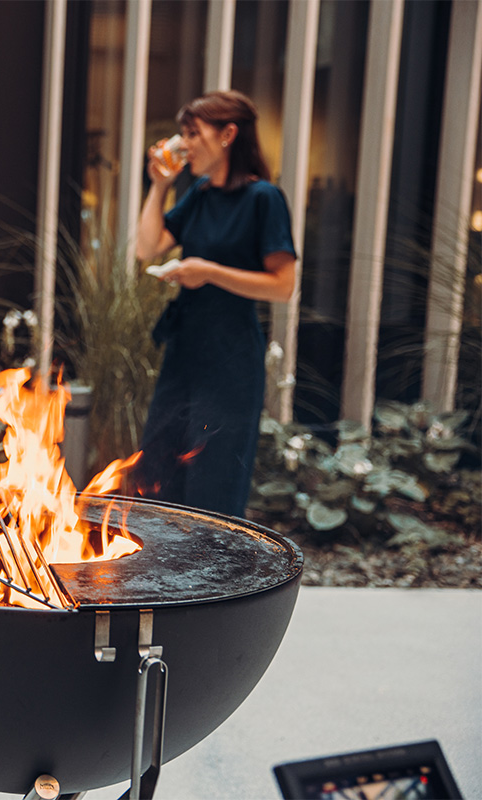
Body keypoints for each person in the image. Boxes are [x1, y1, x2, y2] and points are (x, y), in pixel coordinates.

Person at [131, 90, 297, 517]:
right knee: (157, 473)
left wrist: (209, 272)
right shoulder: (201, 193)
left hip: (231, 360)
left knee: (214, 484)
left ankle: (217, 583)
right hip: (184, 352)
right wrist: (160, 186)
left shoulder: (264, 199)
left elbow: (283, 285)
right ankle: (160, 580)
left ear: (227, 135)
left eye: (192, 133)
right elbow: (147, 247)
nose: (183, 143)